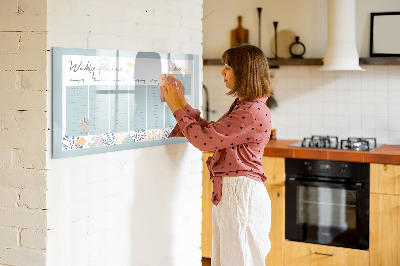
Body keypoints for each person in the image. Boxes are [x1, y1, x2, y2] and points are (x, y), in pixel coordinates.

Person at [161, 44, 273, 266]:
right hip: (236, 193)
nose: (222, 72)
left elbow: (204, 141)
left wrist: (176, 108)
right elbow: (212, 133)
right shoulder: (246, 106)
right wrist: (182, 103)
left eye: (228, 67)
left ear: (244, 72)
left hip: (241, 195)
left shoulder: (250, 111)